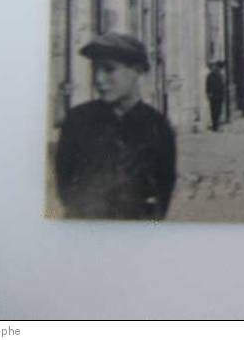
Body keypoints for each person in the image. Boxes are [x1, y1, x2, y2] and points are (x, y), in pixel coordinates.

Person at [55, 32, 176, 220]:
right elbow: (64, 184)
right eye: (95, 69)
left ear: (137, 70)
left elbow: (163, 191)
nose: (99, 79)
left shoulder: (157, 126)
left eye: (109, 69)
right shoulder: (78, 121)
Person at [205, 60, 226, 131]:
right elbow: (208, 86)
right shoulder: (211, 75)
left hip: (219, 96)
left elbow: (222, 86)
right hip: (214, 96)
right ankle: (215, 126)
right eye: (218, 67)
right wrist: (208, 94)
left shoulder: (220, 75)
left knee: (218, 111)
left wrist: (223, 95)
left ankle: (216, 126)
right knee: (214, 111)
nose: (219, 69)